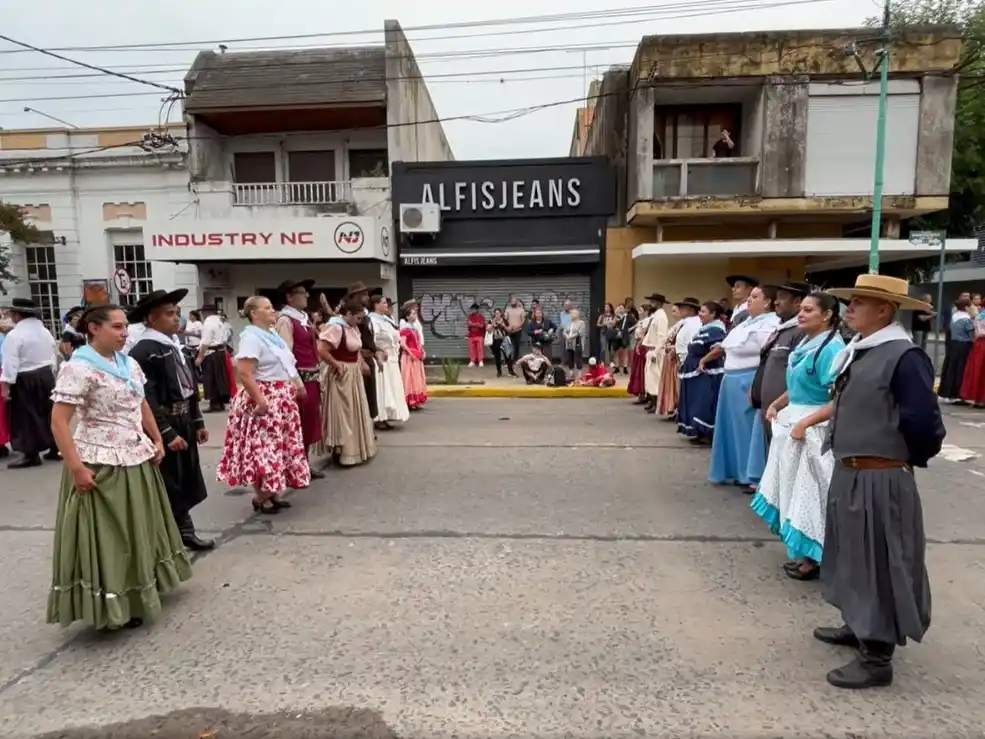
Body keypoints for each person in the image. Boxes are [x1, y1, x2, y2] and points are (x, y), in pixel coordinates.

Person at [815, 274, 944, 690]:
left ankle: (877, 656)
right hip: (852, 470)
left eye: (860, 302)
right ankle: (859, 623)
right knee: (853, 556)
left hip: (880, 474)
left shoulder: (904, 356)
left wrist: (898, 460)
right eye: (850, 300)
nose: (849, 308)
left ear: (884, 310)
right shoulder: (863, 349)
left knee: (880, 562)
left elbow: (924, 423)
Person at [47, 304, 191, 631]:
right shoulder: (78, 367)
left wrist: (157, 438)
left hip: (135, 455)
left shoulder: (127, 363)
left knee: (140, 526)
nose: (124, 333)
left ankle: (142, 586)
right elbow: (58, 422)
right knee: (112, 535)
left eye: (125, 326)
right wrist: (76, 468)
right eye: (116, 326)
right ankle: (115, 601)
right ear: (93, 329)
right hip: (100, 461)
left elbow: (141, 403)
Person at [750, 292, 845, 582]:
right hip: (794, 425)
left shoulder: (832, 349)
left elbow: (839, 399)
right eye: (801, 309)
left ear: (827, 315)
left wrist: (806, 423)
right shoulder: (806, 343)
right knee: (793, 491)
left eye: (809, 310)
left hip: (813, 431)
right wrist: (778, 404)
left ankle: (815, 557)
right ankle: (804, 554)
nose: (801, 314)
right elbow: (799, 386)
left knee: (811, 495)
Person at [127, 289, 214, 552]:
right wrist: (165, 433)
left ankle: (183, 529)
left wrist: (197, 421)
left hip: (183, 418)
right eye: (169, 314)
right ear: (151, 318)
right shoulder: (144, 351)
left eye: (176, 313)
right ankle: (176, 534)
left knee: (185, 476)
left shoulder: (175, 345)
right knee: (169, 480)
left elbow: (190, 387)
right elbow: (147, 396)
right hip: (165, 421)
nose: (176, 318)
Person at [216, 296, 311, 514]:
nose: (273, 310)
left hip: (281, 395)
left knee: (278, 447)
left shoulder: (271, 334)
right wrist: (260, 400)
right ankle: (261, 496)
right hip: (265, 395)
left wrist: (298, 385)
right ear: (254, 314)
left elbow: (287, 364)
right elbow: (245, 373)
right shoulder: (251, 338)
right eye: (267, 308)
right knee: (264, 448)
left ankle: (272, 491)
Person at [709, 286, 780, 490]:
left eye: (755, 297)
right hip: (730, 380)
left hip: (748, 379)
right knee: (731, 429)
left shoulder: (770, 324)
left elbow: (767, 356)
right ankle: (733, 470)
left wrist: (757, 384)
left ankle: (750, 474)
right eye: (750, 296)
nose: (749, 300)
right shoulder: (746, 322)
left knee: (747, 429)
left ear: (767, 302)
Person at [273, 279, 325, 479]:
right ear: (289, 297)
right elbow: (285, 355)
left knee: (309, 423)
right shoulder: (286, 321)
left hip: (311, 378)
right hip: (299, 380)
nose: (307, 296)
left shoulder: (304, 318)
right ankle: (292, 467)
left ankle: (304, 463)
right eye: (302, 292)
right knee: (296, 424)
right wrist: (295, 383)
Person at [317, 300, 377, 466]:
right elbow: (322, 349)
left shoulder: (352, 327)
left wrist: (362, 363)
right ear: (348, 314)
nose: (360, 321)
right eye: (358, 318)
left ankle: (355, 449)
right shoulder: (336, 327)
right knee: (344, 413)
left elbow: (356, 350)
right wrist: (336, 364)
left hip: (353, 373)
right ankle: (342, 450)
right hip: (342, 374)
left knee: (355, 411)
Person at [0, 298, 58, 469]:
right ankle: (55, 447)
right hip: (46, 374)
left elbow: (10, 362)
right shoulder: (44, 331)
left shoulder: (15, 335)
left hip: (25, 377)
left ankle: (30, 454)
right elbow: (53, 353)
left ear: (18, 315)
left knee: (25, 416)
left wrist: (6, 385)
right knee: (47, 412)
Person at [750, 282, 810, 447]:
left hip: (785, 413)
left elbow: (799, 375)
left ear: (797, 302)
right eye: (776, 297)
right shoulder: (781, 330)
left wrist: (780, 403)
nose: (775, 302)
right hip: (770, 410)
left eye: (782, 298)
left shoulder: (800, 333)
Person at [676, 301, 728, 445]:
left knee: (703, 403)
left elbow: (719, 349)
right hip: (696, 373)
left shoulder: (715, 330)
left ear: (713, 314)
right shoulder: (704, 329)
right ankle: (699, 432)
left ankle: (707, 432)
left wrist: (703, 360)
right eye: (700, 311)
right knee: (695, 402)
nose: (700, 314)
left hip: (706, 374)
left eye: (703, 311)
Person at [369, 295, 410, 430]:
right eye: (384, 303)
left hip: (391, 358)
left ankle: (387, 416)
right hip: (382, 359)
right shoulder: (373, 320)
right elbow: (372, 339)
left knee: (391, 388)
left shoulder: (386, 319)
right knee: (382, 388)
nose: (387, 305)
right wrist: (379, 350)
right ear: (376, 305)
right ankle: (379, 417)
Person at [344, 282, 381, 421]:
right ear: (355, 296)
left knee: (370, 396)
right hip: (359, 360)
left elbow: (368, 339)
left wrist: (376, 353)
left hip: (369, 358)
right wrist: (361, 358)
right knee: (361, 396)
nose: (367, 297)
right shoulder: (351, 316)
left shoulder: (365, 315)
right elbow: (353, 339)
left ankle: (368, 425)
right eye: (364, 294)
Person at [664, 297, 701, 421]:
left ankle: (687, 415)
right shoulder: (685, 322)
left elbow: (691, 341)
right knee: (681, 388)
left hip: (687, 358)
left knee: (687, 389)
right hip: (681, 357)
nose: (681, 310)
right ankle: (681, 412)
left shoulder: (694, 323)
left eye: (684, 308)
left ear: (691, 310)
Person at [937, 294, 975, 403]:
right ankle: (957, 393)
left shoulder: (954, 316)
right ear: (966, 307)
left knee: (951, 369)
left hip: (953, 344)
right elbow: (972, 335)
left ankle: (947, 392)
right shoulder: (966, 319)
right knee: (960, 370)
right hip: (963, 346)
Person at [196, 307, 232, 412]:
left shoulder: (208, 322)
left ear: (206, 312)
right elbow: (228, 336)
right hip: (220, 351)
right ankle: (220, 403)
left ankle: (215, 403)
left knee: (211, 378)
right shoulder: (221, 322)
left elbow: (206, 341)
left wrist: (200, 357)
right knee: (220, 378)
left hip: (211, 353)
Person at [641, 293, 669, 413]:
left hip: (655, 350)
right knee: (650, 378)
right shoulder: (656, 315)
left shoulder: (661, 316)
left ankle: (656, 402)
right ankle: (652, 400)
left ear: (658, 303)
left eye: (652, 302)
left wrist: (656, 352)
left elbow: (662, 337)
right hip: (651, 349)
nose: (650, 304)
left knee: (655, 378)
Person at [399, 317, 429, 410]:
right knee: (409, 378)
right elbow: (403, 344)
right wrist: (410, 353)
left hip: (416, 356)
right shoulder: (405, 329)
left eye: (415, 313)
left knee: (416, 379)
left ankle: (416, 401)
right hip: (409, 357)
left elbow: (418, 343)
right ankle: (410, 401)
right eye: (412, 313)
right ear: (407, 316)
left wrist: (422, 350)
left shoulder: (414, 329)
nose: (415, 316)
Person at [959, 306, 985, 407]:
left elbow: (977, 332)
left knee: (978, 370)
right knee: (981, 371)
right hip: (982, 344)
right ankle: (981, 399)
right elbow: (980, 332)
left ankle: (978, 399)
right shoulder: (980, 317)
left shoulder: (979, 316)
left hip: (979, 345)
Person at [488, 308, 515, 378]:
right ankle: (499, 372)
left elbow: (509, 330)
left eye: (498, 313)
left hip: (504, 340)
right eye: (495, 313)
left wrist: (504, 326)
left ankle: (511, 371)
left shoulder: (504, 320)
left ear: (501, 314)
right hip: (495, 340)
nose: (497, 315)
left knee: (508, 356)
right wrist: (493, 323)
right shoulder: (491, 321)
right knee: (497, 357)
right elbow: (488, 330)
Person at [504, 296, 526, 366]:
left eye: (514, 301)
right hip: (509, 331)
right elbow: (505, 319)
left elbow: (523, 321)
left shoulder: (521, 310)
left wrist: (518, 326)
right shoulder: (507, 310)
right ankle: (508, 361)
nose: (513, 302)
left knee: (516, 346)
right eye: (512, 301)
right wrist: (508, 327)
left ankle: (515, 360)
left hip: (518, 330)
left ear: (517, 302)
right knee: (508, 346)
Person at [466, 302, 486, 368]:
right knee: (472, 349)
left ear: (477, 309)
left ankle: (480, 361)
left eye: (473, 309)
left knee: (480, 349)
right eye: (472, 309)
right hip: (471, 335)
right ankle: (472, 361)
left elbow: (482, 325)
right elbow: (469, 323)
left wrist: (473, 324)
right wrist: (477, 324)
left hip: (479, 335)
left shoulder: (481, 317)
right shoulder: (470, 317)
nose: (472, 310)